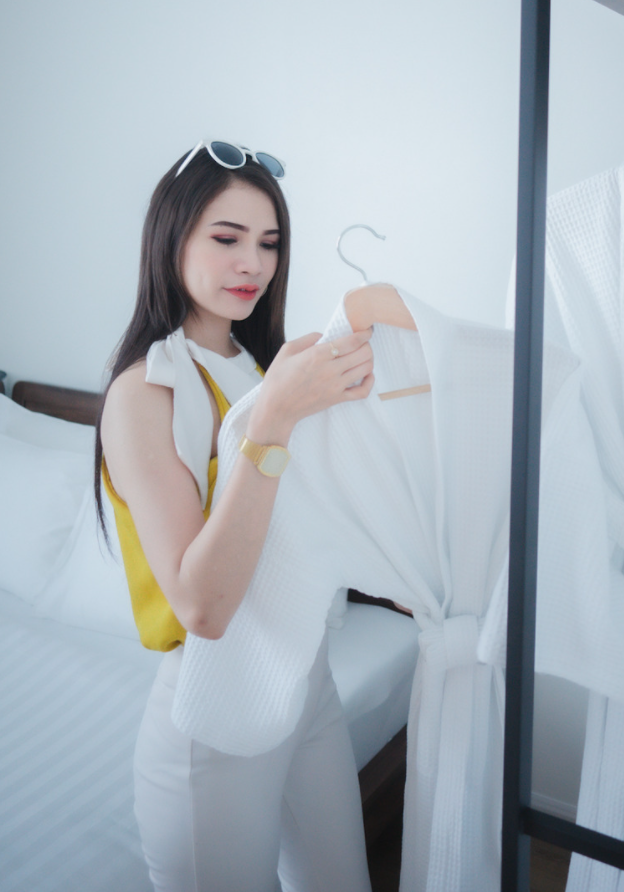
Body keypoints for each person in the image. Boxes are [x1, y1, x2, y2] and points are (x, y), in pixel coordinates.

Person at [95, 141, 375, 892]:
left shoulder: (262, 369)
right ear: (171, 238)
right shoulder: (147, 391)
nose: (253, 261)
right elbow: (203, 605)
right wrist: (275, 421)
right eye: (226, 238)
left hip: (305, 683)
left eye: (269, 242)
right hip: (215, 706)